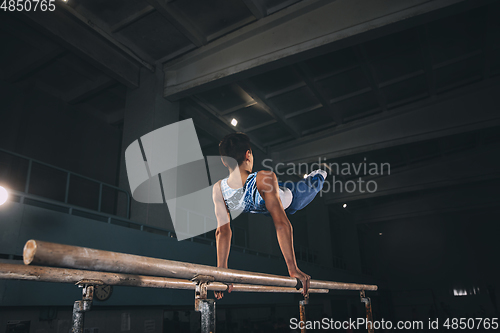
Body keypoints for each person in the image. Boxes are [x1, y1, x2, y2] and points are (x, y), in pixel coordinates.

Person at [212, 133, 327, 299]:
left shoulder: (219, 189)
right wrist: (221, 272)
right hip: (268, 201)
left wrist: (292, 267)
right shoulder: (258, 179)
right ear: (248, 154)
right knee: (274, 196)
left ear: (224, 161)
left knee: (312, 186)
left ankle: (318, 174)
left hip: (290, 198)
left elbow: (281, 223)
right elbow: (223, 232)